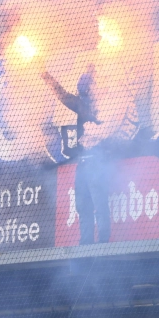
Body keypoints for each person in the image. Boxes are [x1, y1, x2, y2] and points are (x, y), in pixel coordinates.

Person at [42, 68, 112, 245]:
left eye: (85, 88)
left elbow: (63, 95)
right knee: (83, 205)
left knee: (97, 202)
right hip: (83, 164)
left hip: (96, 163)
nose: (83, 92)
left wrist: (45, 74)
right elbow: (62, 95)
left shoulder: (99, 105)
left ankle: (102, 242)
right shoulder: (84, 104)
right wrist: (45, 74)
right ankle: (87, 243)